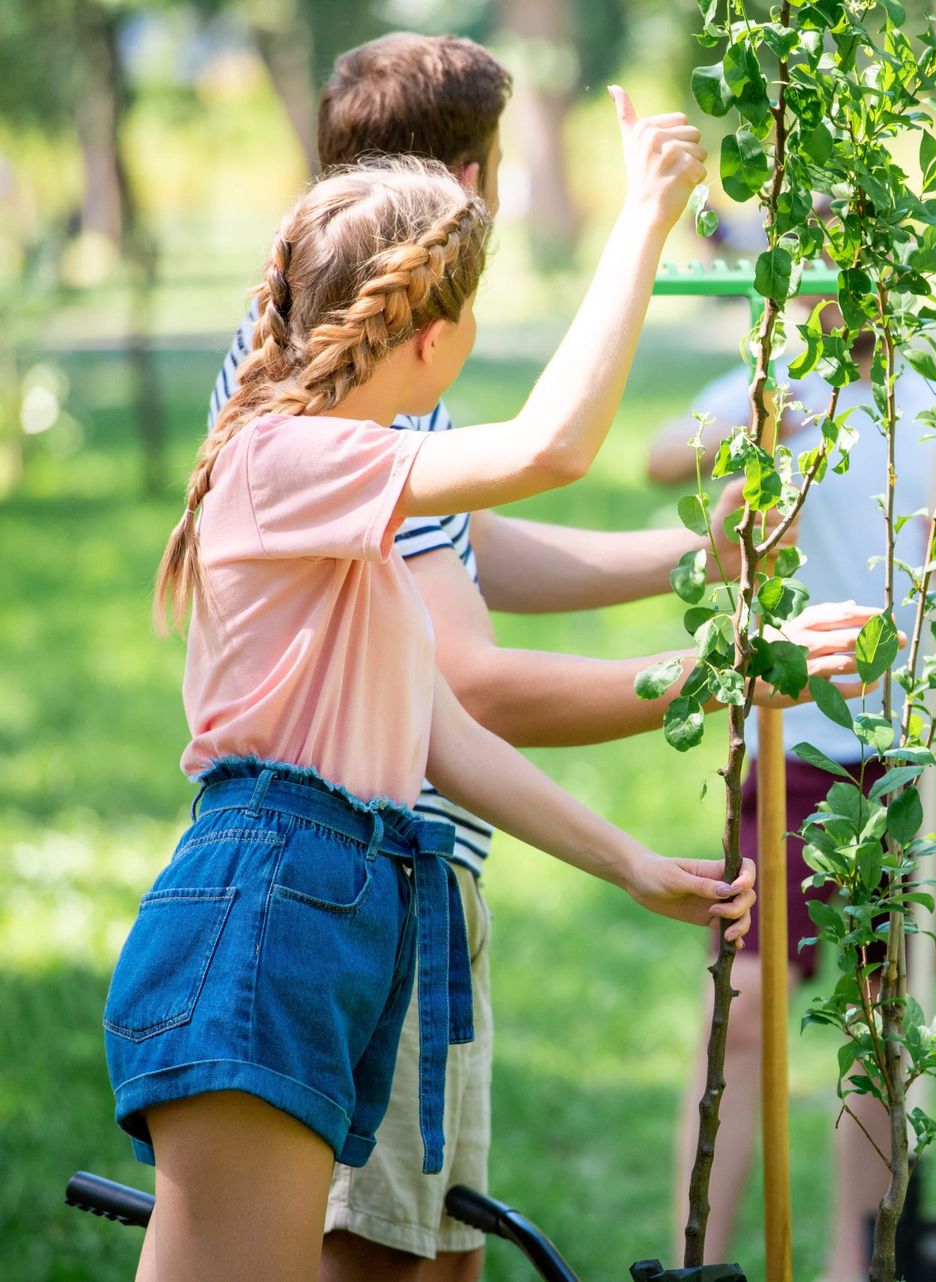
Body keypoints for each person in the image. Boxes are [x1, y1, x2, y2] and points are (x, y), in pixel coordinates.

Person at [206, 36, 870, 1281]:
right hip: (334, 882)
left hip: (392, 873)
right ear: (458, 200)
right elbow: (537, 497)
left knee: (436, 1254)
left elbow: (458, 626)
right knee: (377, 1256)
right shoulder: (299, 436)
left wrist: (698, 571)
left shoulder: (344, 408)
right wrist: (645, 221)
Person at [106, 96, 756, 1280]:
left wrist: (632, 861)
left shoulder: (353, 511)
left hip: (345, 894)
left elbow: (441, 730)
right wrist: (647, 220)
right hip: (270, 896)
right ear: (428, 335)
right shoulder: (283, 456)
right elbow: (553, 446)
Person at [647, 330, 936, 1279]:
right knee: (747, 1000)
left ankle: (854, 1264)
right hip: (789, 734)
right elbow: (658, 457)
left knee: (883, 1015)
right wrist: (762, 424)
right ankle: (697, 1259)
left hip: (911, 740)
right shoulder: (778, 376)